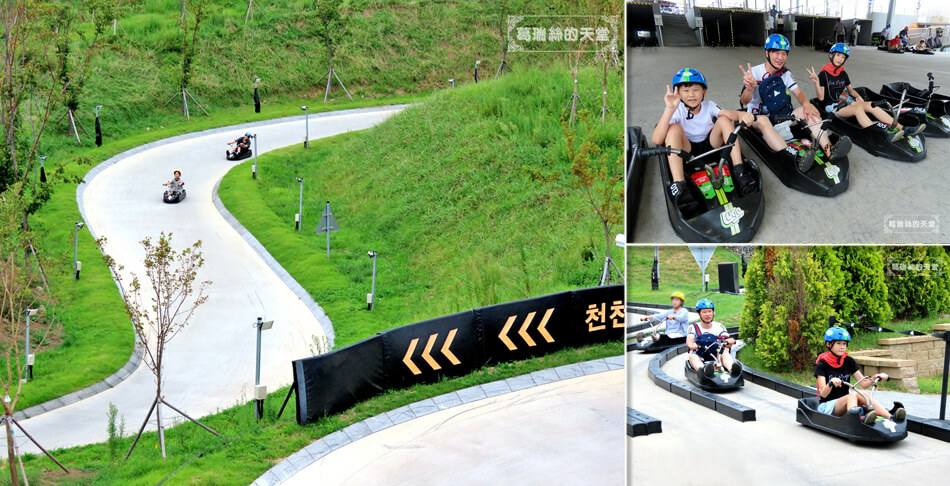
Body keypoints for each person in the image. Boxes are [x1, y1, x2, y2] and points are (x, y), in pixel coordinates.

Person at [651, 68, 758, 213]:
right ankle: (680, 186)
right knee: (673, 128)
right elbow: (657, 139)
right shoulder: (677, 111)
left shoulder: (709, 106)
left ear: (704, 92)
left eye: (696, 90)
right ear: (678, 93)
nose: (691, 95)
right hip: (686, 151)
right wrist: (669, 109)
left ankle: (739, 171)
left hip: (711, 146)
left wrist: (741, 115)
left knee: (724, 120)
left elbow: (728, 113)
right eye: (686, 91)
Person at [739, 34, 850, 172]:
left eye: (784, 53)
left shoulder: (785, 73)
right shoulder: (754, 72)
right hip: (759, 118)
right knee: (763, 121)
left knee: (810, 111)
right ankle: (793, 158)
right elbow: (744, 101)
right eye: (776, 52)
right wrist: (749, 89)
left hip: (782, 115)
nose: (780, 57)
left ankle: (828, 149)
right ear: (767, 52)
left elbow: (798, 93)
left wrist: (806, 104)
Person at [807, 43, 924, 142]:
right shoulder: (823, 75)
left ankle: (902, 128)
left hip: (845, 101)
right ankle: (879, 134)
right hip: (833, 107)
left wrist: (859, 98)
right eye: (838, 55)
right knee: (858, 109)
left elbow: (851, 90)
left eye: (843, 57)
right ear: (831, 55)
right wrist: (816, 82)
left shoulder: (843, 73)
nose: (840, 59)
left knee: (871, 105)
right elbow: (821, 98)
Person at [815, 327, 906, 425]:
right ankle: (856, 422)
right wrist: (830, 383)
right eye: (838, 343)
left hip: (848, 403)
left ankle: (891, 417)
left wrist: (876, 377)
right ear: (829, 344)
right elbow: (823, 394)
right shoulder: (822, 364)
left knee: (863, 394)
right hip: (828, 406)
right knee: (851, 396)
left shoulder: (848, 361)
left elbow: (864, 383)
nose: (842, 347)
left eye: (844, 344)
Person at [686, 299, 741, 378]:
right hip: (700, 354)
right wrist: (692, 345)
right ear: (699, 314)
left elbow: (726, 342)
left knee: (724, 351)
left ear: (713, 313)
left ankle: (732, 370)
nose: (708, 314)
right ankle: (705, 371)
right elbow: (689, 341)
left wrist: (729, 341)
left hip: (716, 354)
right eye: (704, 312)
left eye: (709, 311)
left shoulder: (719, 326)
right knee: (692, 357)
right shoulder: (693, 327)